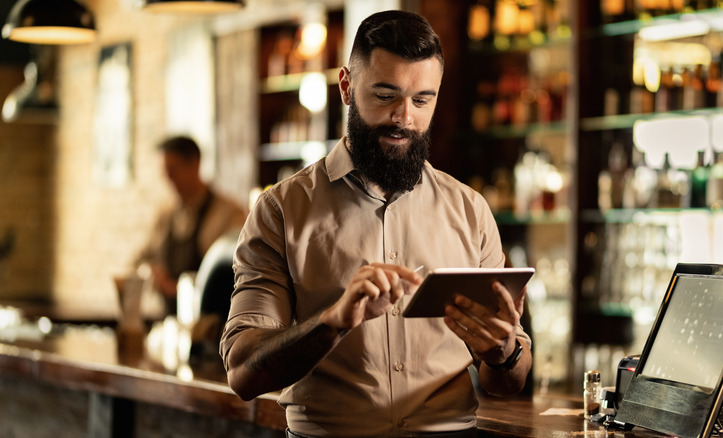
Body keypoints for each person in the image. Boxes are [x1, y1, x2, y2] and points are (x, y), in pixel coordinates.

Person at [220, 10, 532, 437]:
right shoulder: (280, 211)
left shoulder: (470, 210)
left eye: (422, 100)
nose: (404, 117)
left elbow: (508, 384)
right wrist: (333, 321)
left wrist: (503, 352)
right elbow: (242, 373)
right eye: (386, 95)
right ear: (347, 86)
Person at [136, 136, 247, 314]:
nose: (168, 179)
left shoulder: (229, 212)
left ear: (195, 164)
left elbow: (237, 272)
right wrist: (151, 273)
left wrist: (182, 290)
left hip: (212, 323)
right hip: (169, 320)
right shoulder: (165, 214)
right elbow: (140, 260)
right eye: (165, 172)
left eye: (173, 170)